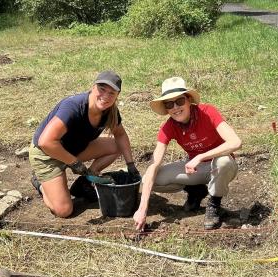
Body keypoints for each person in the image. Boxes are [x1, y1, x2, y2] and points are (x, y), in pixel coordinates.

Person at [133, 77, 241, 231]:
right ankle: (196, 191)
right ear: (166, 109)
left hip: (222, 167)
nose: (176, 107)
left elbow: (236, 142)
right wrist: (142, 208)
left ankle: (214, 204)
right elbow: (154, 164)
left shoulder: (208, 112)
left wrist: (200, 156)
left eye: (180, 101)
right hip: (196, 170)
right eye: (170, 104)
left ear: (189, 100)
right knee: (150, 179)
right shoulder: (168, 127)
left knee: (222, 162)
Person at [29, 70, 140, 218]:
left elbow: (120, 135)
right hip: (47, 154)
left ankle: (84, 183)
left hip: (74, 149)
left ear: (117, 96)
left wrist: (130, 165)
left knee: (116, 146)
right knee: (64, 210)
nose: (106, 96)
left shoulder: (110, 111)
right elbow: (46, 142)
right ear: (93, 87)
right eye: (102, 89)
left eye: (112, 93)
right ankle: (41, 185)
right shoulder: (73, 106)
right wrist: (75, 163)